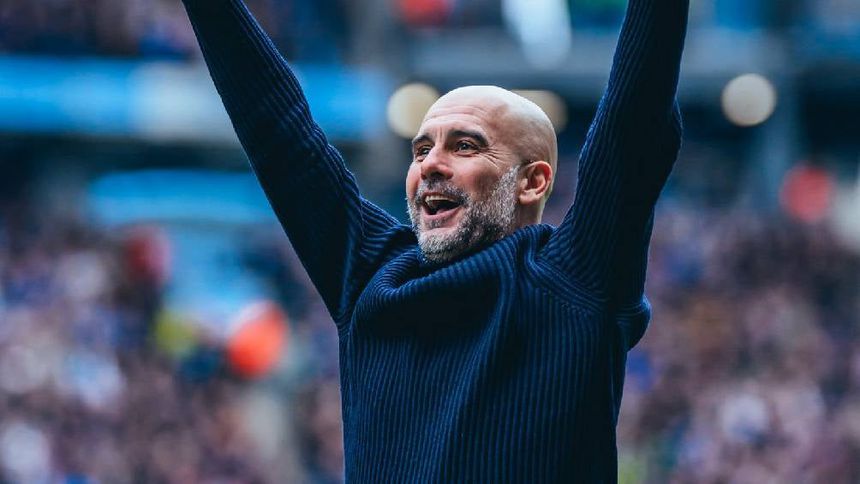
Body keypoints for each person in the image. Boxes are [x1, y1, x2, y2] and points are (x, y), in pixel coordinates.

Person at [180, 0, 688, 481]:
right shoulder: (370, 275)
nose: (430, 165)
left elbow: (635, 118)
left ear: (532, 182)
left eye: (464, 146)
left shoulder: (576, 280)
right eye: (421, 149)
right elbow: (277, 126)